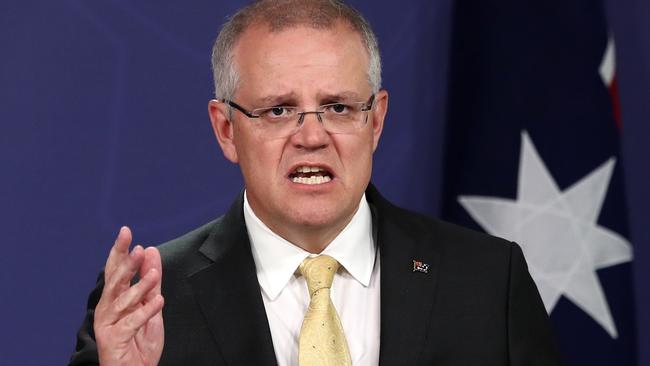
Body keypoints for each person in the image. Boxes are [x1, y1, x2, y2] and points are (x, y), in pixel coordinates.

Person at [70, 1, 561, 365]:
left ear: (377, 121)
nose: (311, 136)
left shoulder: (488, 282)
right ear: (226, 130)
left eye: (339, 108)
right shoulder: (152, 300)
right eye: (279, 110)